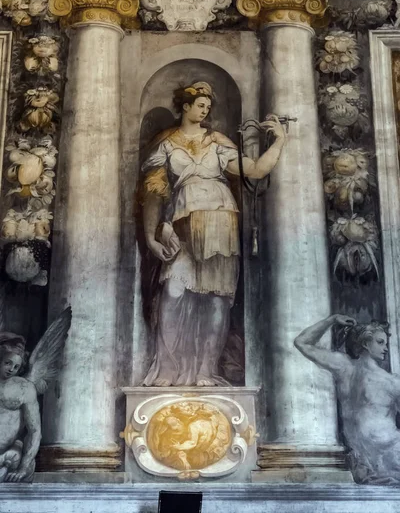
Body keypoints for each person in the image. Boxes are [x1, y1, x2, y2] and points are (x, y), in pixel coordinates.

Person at [141, 81, 285, 387]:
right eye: (200, 105)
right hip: (181, 219)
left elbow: (256, 171)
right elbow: (153, 191)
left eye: (208, 107)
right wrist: (151, 236)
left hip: (220, 220)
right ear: (185, 106)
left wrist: (279, 142)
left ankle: (207, 370)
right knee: (173, 292)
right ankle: (168, 369)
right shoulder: (166, 144)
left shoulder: (218, 142)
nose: (205, 111)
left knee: (217, 299)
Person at [294, 314, 400, 485]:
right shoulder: (345, 367)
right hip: (362, 459)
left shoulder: (392, 382)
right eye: (380, 342)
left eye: (386, 343)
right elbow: (301, 342)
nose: (386, 348)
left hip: (391, 454)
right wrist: (331, 320)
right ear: (365, 343)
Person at [0, 334, 40, 482]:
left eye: (16, 366)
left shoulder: (24, 388)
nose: (12, 369)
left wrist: (23, 467)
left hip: (10, 458)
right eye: (8, 363)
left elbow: (34, 431)